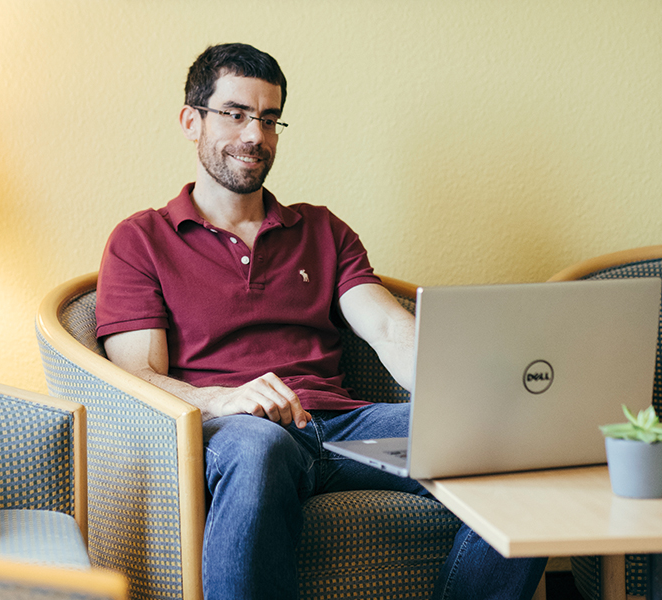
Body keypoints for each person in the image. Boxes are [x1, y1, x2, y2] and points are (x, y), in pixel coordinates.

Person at [95, 42, 547, 600]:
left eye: (268, 119)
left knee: (513, 448)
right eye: (235, 114)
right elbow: (135, 376)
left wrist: (472, 392)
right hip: (232, 434)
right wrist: (220, 400)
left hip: (340, 429)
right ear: (192, 121)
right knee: (260, 446)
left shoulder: (322, 231)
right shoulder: (141, 240)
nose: (255, 135)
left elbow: (387, 330)